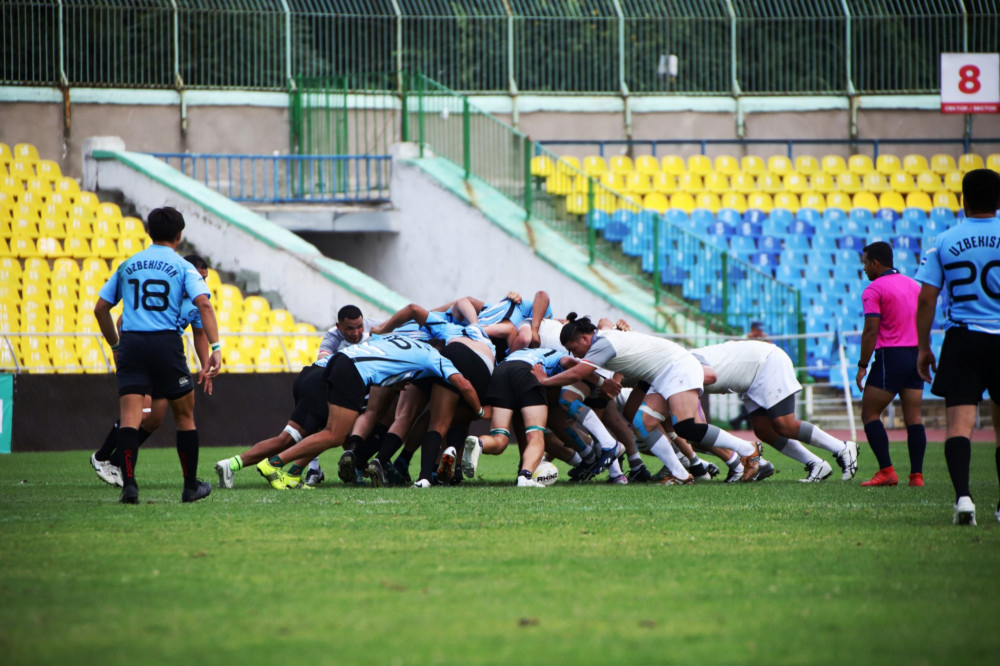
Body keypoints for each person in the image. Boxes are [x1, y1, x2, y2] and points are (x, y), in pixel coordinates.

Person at [94, 207, 222, 504]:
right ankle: (190, 487)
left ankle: (129, 486)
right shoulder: (183, 267)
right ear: (179, 235)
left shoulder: (128, 265)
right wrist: (216, 350)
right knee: (185, 417)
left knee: (130, 417)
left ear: (149, 232)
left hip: (132, 343)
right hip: (165, 343)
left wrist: (115, 345)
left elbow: (100, 308)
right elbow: (204, 304)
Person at [535, 315, 762, 481]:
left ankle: (747, 449)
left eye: (574, 348)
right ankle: (680, 474)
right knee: (643, 423)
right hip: (661, 375)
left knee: (687, 428)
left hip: (677, 367)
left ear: (585, 338)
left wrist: (544, 381)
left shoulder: (602, 343)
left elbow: (579, 372)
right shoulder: (602, 339)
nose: (575, 354)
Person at [254, 334, 484, 488]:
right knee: (334, 435)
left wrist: (394, 383)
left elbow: (382, 364)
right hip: (351, 372)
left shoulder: (401, 340)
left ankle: (293, 473)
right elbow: (463, 384)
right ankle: (273, 463)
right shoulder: (434, 356)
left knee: (330, 431)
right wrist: (479, 412)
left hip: (339, 361)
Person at [916, 168, 1000, 526]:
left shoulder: (943, 240)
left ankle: (964, 499)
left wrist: (923, 347)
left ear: (963, 199)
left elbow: (926, 300)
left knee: (959, 426)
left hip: (963, 337)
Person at [692, 340, 858, 482]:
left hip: (766, 362)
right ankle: (816, 463)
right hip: (750, 375)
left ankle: (842, 448)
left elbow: (697, 422)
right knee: (764, 431)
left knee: (785, 424)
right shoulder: (679, 365)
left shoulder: (684, 364)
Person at [856, 241, 926, 487]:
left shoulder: (873, 290)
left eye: (865, 263)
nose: (864, 268)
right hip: (915, 354)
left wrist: (863, 364)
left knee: (869, 413)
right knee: (914, 418)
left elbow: (870, 330)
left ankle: (887, 471)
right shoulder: (913, 285)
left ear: (875, 262)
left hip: (891, 356)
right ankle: (916, 476)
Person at [729, 321, 769, 430]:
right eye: (758, 329)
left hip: (756, 374)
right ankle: (742, 422)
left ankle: (741, 422)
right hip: (744, 373)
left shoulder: (764, 339)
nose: (760, 331)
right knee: (747, 399)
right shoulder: (744, 339)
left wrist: (766, 340)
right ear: (753, 328)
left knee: (753, 401)